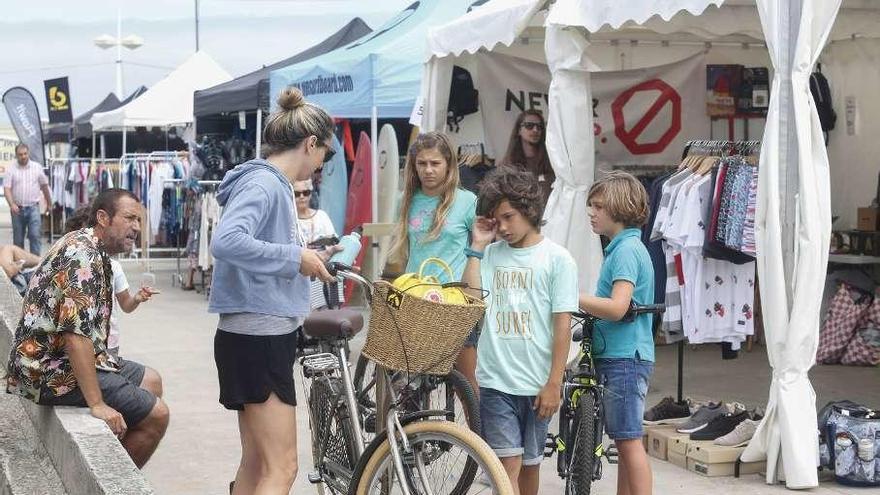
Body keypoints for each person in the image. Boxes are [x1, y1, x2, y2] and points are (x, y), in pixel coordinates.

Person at [208, 87, 338, 495]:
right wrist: (293, 257)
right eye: (326, 155)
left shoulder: (263, 182)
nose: (322, 165)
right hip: (259, 334)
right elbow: (226, 241)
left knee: (259, 460)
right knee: (283, 466)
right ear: (311, 144)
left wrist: (297, 257)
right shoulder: (266, 184)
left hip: (249, 334)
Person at [5, 189, 169, 468]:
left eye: (139, 221)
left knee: (151, 380)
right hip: (46, 370)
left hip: (66, 359)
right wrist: (97, 404)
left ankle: (112, 451)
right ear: (103, 218)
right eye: (130, 218)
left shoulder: (89, 245)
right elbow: (75, 336)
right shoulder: (85, 257)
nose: (137, 228)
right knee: (157, 416)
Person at [462, 166, 578, 495]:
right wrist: (478, 245)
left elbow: (562, 325)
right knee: (506, 466)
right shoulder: (490, 255)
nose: (503, 226)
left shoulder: (558, 259)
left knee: (530, 464)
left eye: (509, 217)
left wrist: (554, 383)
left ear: (529, 209)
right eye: (496, 219)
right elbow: (471, 302)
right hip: (496, 381)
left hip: (539, 382)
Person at [579, 171, 655, 495]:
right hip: (623, 355)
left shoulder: (625, 252)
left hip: (624, 356)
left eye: (597, 206)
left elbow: (618, 306)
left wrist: (573, 297)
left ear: (618, 208)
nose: (591, 212)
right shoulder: (625, 248)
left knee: (628, 441)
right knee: (624, 442)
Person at [386, 131, 479, 392]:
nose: (428, 170)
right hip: (416, 298)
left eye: (435, 163)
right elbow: (399, 253)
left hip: (454, 300)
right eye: (422, 163)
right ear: (414, 166)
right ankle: (411, 432)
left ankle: (476, 433)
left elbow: (483, 245)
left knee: (467, 384)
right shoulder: (405, 201)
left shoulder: (467, 201)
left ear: (449, 164)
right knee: (407, 384)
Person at [64, 206, 159, 359]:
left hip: (109, 345)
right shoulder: (68, 266)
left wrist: (137, 298)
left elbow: (126, 305)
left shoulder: (113, 267)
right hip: (80, 346)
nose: (88, 240)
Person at [294, 178, 343, 309]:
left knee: (332, 310)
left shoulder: (322, 215)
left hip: (326, 266)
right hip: (304, 270)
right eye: (297, 194)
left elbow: (334, 241)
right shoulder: (290, 219)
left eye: (306, 192)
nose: (302, 197)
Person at [499, 110, 555, 208]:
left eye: (539, 127)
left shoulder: (552, 162)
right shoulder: (507, 165)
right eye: (529, 125)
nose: (535, 130)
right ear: (519, 130)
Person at [3, 143, 52, 255]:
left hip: (33, 208)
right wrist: (12, 204)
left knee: (35, 235)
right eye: (20, 154)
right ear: (16, 155)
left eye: (25, 153)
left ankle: (35, 265)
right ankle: (20, 266)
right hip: (17, 209)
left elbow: (44, 186)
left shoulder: (37, 167)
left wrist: (49, 203)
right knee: (18, 239)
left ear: (28, 153)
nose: (23, 156)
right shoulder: (11, 169)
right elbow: (7, 189)